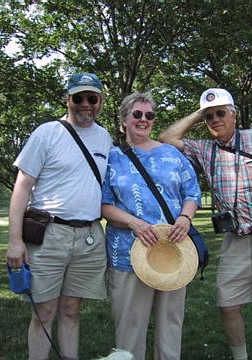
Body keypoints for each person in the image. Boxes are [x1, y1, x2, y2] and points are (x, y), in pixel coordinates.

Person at [159, 88, 252, 360]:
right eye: (210, 117)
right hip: (236, 239)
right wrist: (199, 112)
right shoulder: (205, 150)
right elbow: (167, 138)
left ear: (234, 115)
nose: (215, 119)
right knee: (227, 304)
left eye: (221, 113)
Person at [6, 73, 112, 360]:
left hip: (89, 236)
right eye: (79, 98)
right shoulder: (47, 133)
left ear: (100, 101)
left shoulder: (105, 137)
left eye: (92, 98)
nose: (85, 104)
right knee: (44, 310)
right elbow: (22, 187)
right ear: (68, 100)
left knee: (71, 310)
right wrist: (15, 241)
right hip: (49, 235)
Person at [101, 93, 201, 360]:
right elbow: (103, 204)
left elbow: (192, 193)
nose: (143, 120)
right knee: (129, 328)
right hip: (127, 255)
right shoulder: (111, 158)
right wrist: (133, 222)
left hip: (173, 252)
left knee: (170, 325)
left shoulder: (172, 155)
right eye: (137, 114)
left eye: (149, 115)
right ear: (124, 120)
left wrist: (185, 218)